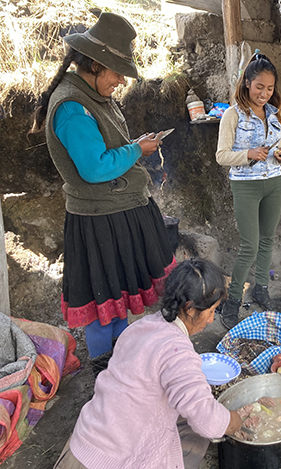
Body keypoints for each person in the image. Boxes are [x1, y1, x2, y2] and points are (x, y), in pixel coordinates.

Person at [31, 12, 175, 375]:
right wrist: (136, 151)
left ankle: (120, 365)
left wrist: (133, 146)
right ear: (95, 64)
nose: (121, 81)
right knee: (102, 300)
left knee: (118, 295)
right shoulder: (71, 108)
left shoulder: (93, 95)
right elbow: (94, 168)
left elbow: (106, 148)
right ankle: (104, 373)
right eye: (117, 73)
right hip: (99, 220)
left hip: (117, 212)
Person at [53, 258, 242, 469]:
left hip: (83, 442)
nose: (210, 320)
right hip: (109, 462)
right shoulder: (178, 353)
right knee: (198, 433)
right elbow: (208, 421)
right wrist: (234, 421)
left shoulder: (142, 327)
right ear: (189, 308)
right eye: (211, 311)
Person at [216, 52, 281, 329]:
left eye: (270, 89)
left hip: (274, 182)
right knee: (250, 244)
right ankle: (233, 300)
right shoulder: (232, 115)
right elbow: (222, 156)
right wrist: (248, 153)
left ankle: (261, 288)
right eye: (260, 87)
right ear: (247, 82)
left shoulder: (275, 115)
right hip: (245, 186)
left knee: (268, 238)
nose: (264, 94)